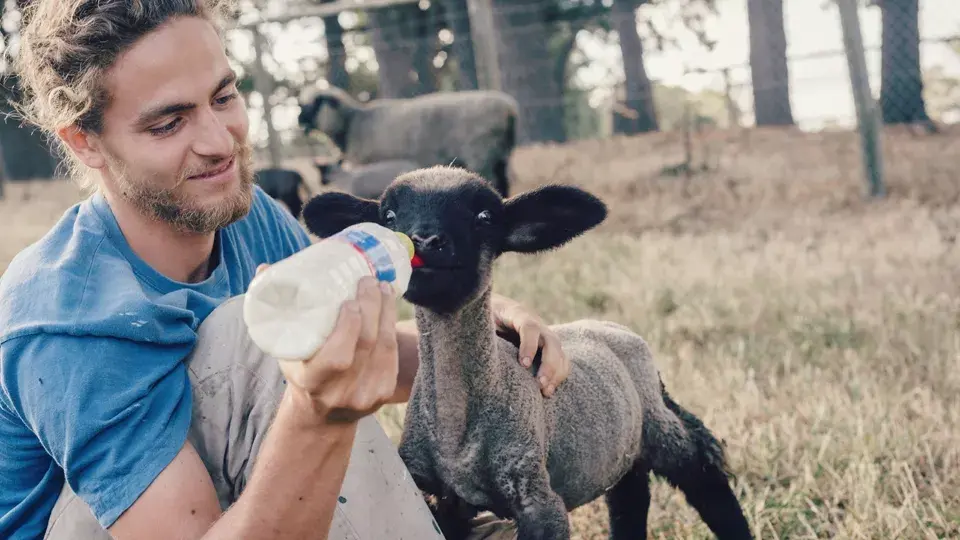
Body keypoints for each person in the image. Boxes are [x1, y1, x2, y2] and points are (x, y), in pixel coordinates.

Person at [0, 1, 571, 538]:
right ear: (85, 143)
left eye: (223, 98)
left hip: (236, 508)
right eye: (168, 124)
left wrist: (479, 330)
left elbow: (354, 346)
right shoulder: (67, 319)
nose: (219, 143)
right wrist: (316, 414)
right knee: (252, 332)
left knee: (286, 325)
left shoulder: (242, 215)